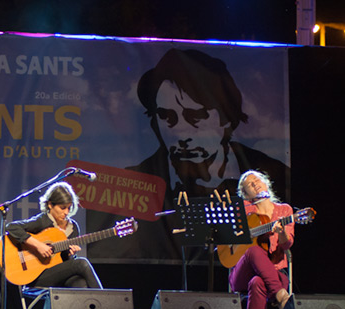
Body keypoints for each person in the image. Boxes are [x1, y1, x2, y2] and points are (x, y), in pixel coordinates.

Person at [87, 48, 291, 262]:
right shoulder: (132, 185)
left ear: (227, 118)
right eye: (166, 116)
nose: (179, 131)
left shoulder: (275, 173)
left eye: (195, 116)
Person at [228, 170, 293, 309]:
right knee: (254, 249)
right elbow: (226, 239)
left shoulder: (284, 211)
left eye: (257, 180)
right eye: (249, 184)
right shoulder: (242, 211)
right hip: (242, 274)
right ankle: (282, 297)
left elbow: (287, 244)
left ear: (266, 184)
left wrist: (280, 233)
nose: (255, 183)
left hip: (276, 273)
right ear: (245, 194)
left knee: (257, 282)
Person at [5, 182, 103, 288]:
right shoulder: (43, 221)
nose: (66, 212)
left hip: (59, 275)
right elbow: (11, 227)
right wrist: (38, 245)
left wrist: (71, 255)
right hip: (38, 276)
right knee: (81, 263)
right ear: (50, 205)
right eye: (62, 208)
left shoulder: (73, 228)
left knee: (80, 283)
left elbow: (67, 262)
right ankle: (105, 301)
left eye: (69, 208)